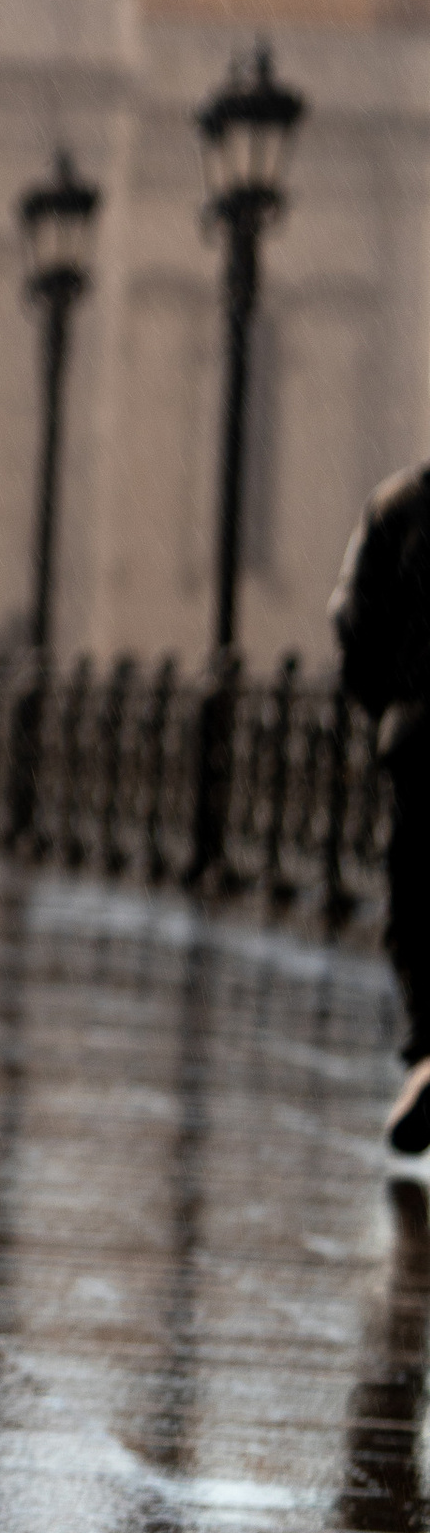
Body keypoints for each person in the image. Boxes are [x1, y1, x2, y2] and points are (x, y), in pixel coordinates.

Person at [330, 465, 430, 1154]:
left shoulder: (402, 504)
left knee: (420, 903)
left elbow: (354, 621)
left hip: (427, 741)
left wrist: (391, 704)